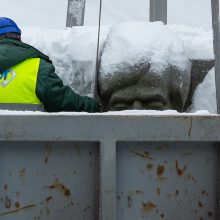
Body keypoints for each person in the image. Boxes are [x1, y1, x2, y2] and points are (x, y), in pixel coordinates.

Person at [0, 17, 102, 112]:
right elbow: (63, 101)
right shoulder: (37, 67)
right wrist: (93, 106)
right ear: (18, 37)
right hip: (26, 131)